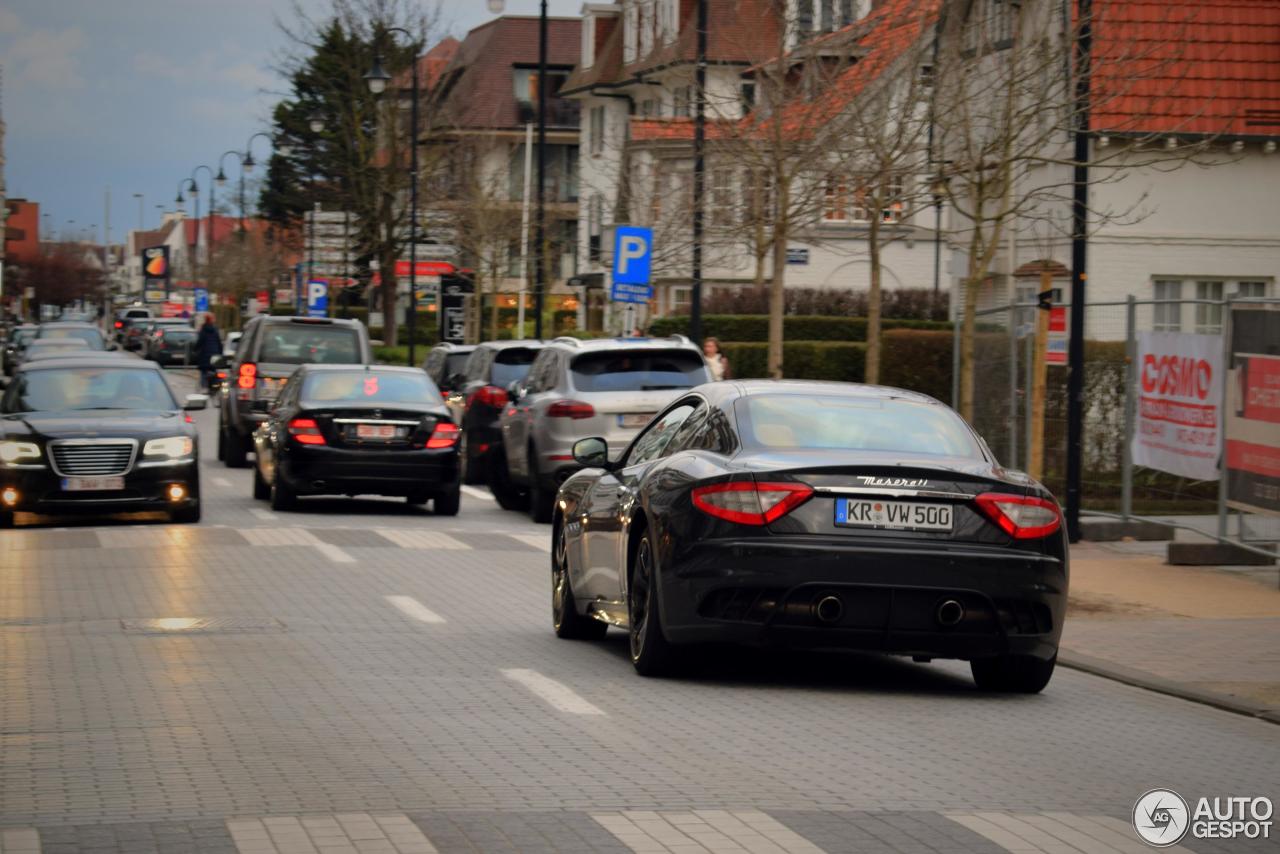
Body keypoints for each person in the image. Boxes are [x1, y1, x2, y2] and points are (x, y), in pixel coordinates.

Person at [194, 313, 223, 392]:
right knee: (213, 370)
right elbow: (219, 342)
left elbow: (200, 342)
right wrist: (220, 354)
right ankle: (215, 387)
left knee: (204, 372)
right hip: (215, 355)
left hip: (204, 355)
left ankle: (204, 388)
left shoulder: (203, 330)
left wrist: (195, 350)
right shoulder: (216, 330)